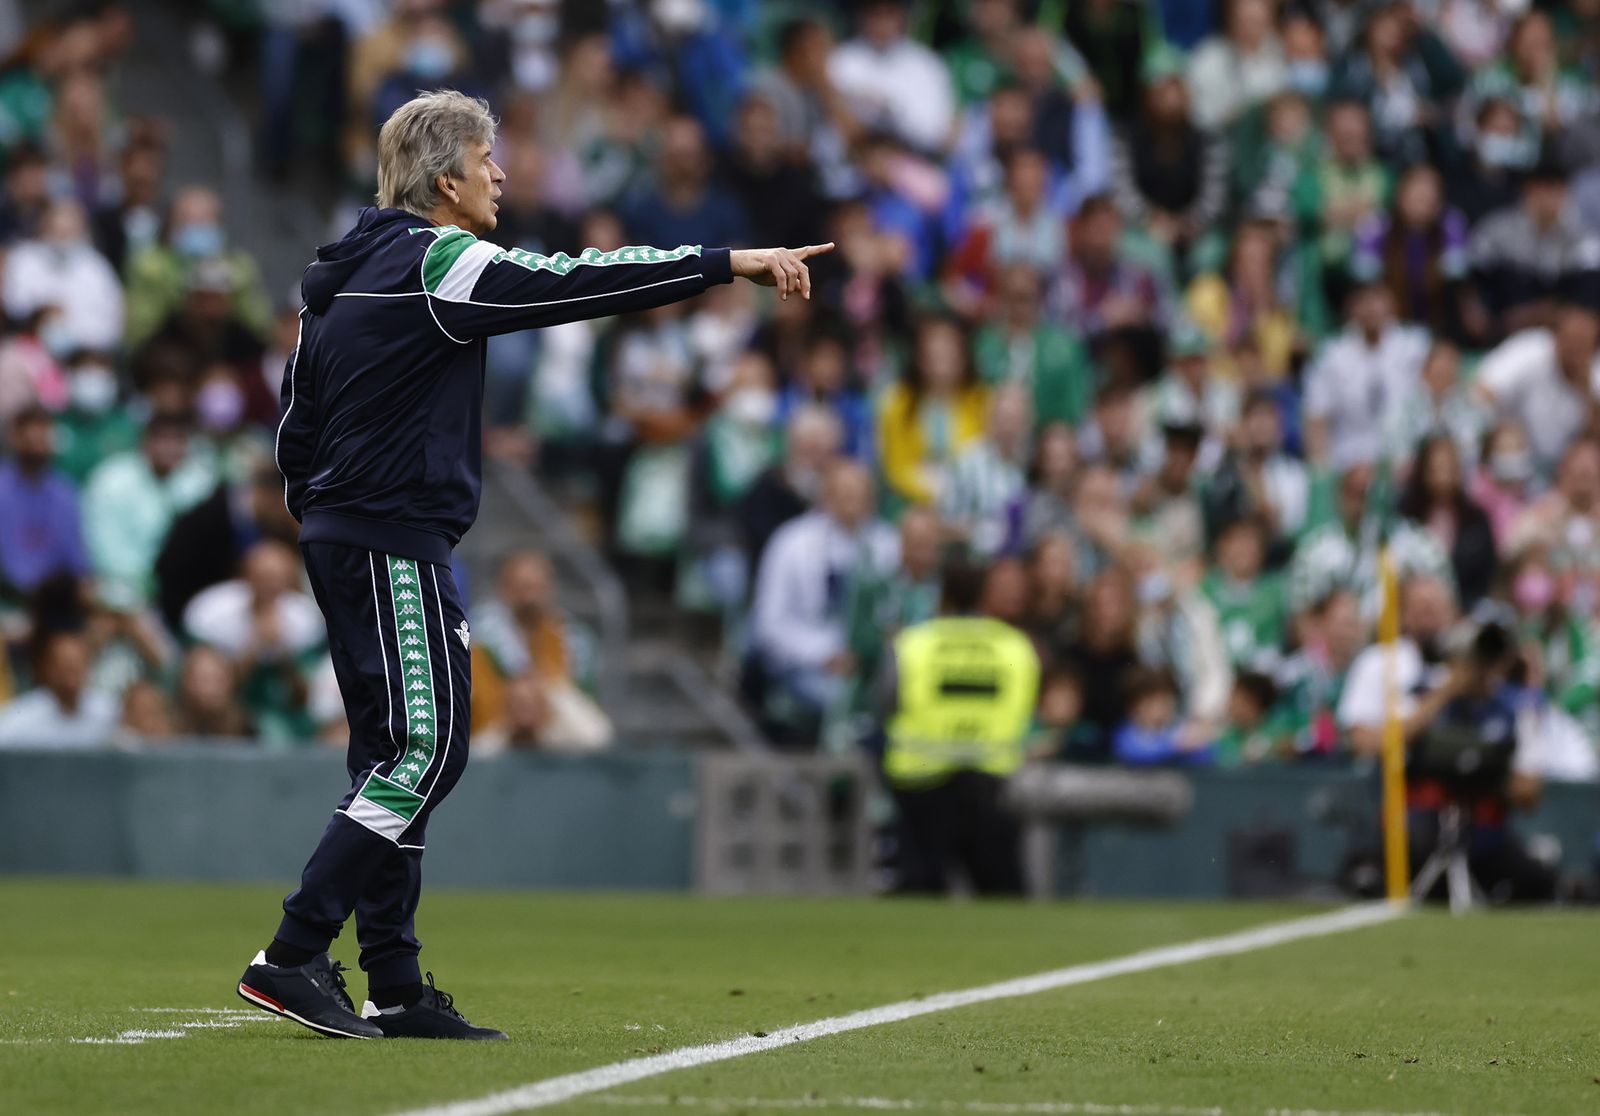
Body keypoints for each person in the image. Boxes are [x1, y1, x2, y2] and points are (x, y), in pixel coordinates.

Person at [239, 90, 834, 1041]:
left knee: (390, 756)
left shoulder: (333, 281)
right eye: (488, 161)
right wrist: (727, 264)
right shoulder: (442, 260)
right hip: (392, 535)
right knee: (426, 750)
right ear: (447, 180)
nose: (503, 175)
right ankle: (291, 954)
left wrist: (325, 516)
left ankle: (391, 982)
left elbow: (292, 430)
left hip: (344, 533)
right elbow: (576, 280)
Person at [881, 561, 1040, 896]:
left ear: (942, 597)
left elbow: (885, 701)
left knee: (920, 889)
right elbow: (1027, 708)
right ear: (985, 595)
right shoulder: (1014, 645)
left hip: (921, 779)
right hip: (992, 781)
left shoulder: (914, 643)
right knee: (1002, 893)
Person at [0, 629, 117, 749]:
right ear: (47, 668)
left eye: (76, 667)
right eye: (64, 667)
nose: (70, 675)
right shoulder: (20, 718)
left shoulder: (111, 712)